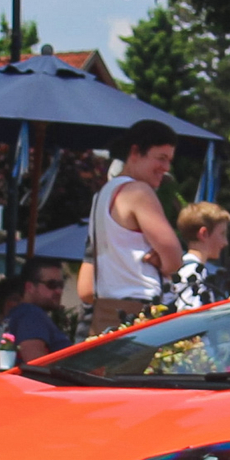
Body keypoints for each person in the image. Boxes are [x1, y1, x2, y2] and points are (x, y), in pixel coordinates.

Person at [78, 122, 182, 335]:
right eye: (161, 158)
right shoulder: (138, 192)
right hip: (140, 310)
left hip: (105, 309)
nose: (166, 168)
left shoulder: (102, 195)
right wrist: (161, 260)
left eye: (169, 160)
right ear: (135, 152)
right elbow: (174, 260)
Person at [0, 261, 67, 365]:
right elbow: (36, 364)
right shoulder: (31, 314)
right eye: (52, 285)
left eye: (61, 285)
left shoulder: (19, 314)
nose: (58, 291)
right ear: (29, 287)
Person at [166, 203, 230, 312]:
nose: (225, 242)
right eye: (222, 234)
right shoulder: (192, 272)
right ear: (204, 234)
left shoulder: (191, 268)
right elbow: (191, 315)